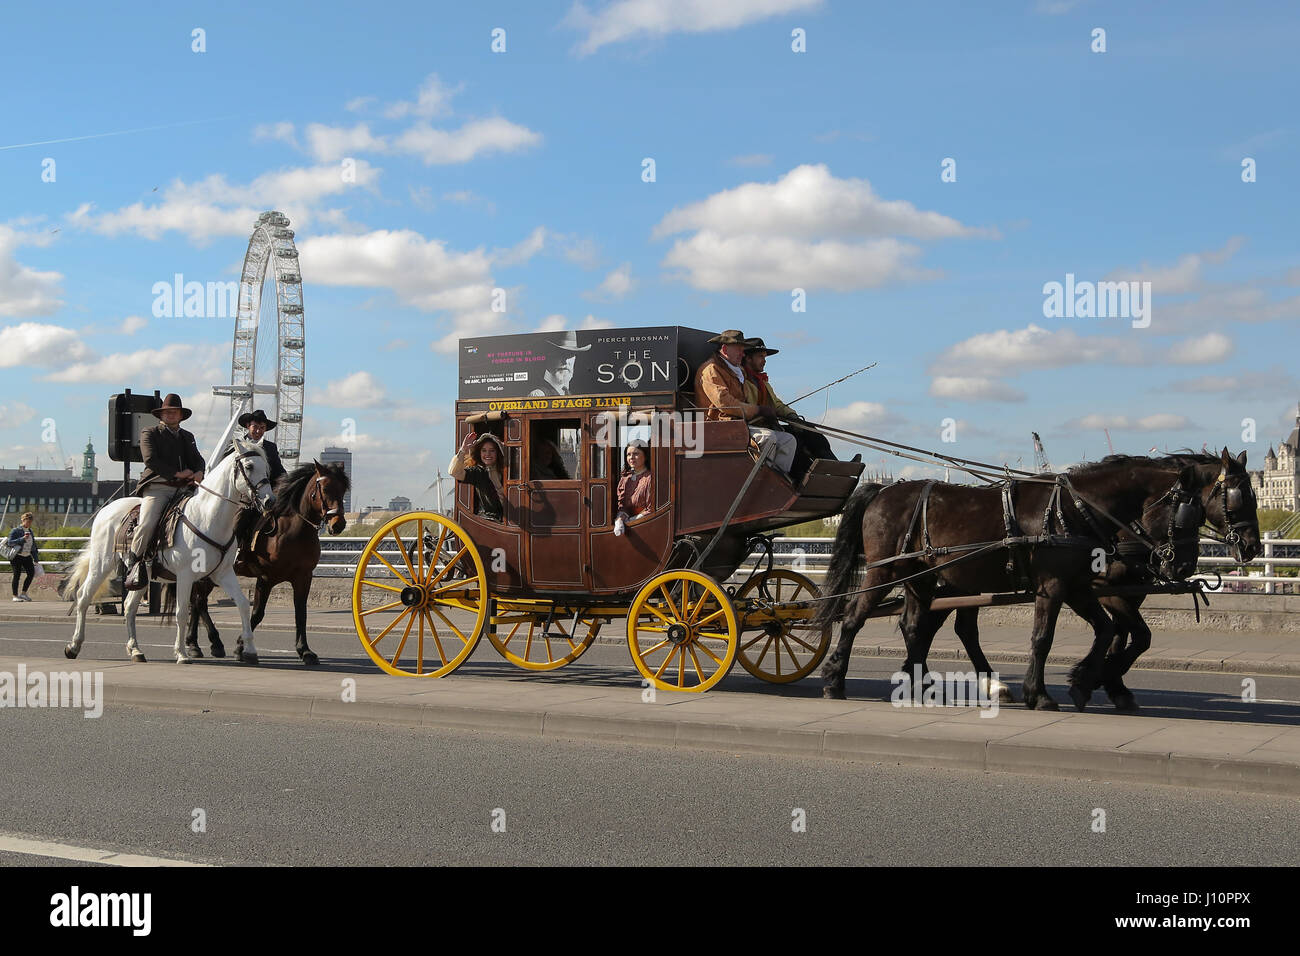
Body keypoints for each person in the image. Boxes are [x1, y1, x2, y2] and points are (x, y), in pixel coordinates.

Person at [126, 393, 205, 590]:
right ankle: (133, 562)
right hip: (159, 487)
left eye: (174, 412)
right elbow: (150, 460)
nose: (171, 415)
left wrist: (199, 472)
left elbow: (198, 459)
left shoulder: (188, 436)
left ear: (180, 415)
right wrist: (177, 473)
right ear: (161, 415)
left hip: (184, 490)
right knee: (148, 522)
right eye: (167, 412)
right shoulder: (149, 432)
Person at [693, 329, 797, 474]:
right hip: (719, 426)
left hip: (739, 423)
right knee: (767, 437)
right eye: (739, 350)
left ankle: (777, 480)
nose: (743, 354)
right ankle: (762, 478)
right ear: (724, 349)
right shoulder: (711, 370)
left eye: (743, 350)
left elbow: (746, 399)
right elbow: (725, 403)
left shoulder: (737, 371)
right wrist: (758, 410)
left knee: (788, 440)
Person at [742, 337, 840, 482]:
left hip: (768, 424)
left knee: (811, 432)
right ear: (748, 359)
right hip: (758, 427)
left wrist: (793, 417)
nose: (764, 360)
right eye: (760, 356)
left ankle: (836, 467)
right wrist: (764, 412)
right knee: (795, 441)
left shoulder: (762, 381)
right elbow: (747, 406)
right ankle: (803, 477)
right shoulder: (742, 380)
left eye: (765, 357)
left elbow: (777, 404)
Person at [231, 409, 287, 547]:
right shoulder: (237, 445)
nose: (258, 431)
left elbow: (278, 471)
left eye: (262, 428)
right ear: (248, 426)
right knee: (239, 520)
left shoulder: (270, 447)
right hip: (245, 495)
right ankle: (233, 551)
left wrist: (288, 483)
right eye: (255, 427)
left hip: (267, 493)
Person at [449, 431, 505, 522]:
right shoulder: (478, 472)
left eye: (492, 450)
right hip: (489, 520)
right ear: (479, 453)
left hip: (509, 519)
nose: (487, 454)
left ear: (498, 453)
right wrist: (463, 449)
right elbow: (454, 472)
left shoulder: (506, 471)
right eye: (484, 450)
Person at [528, 331, 589, 397]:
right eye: (560, 354)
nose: (565, 361)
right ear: (548, 358)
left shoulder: (567, 393)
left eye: (571, 354)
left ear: (574, 359)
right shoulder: (539, 395)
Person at [614, 442, 653, 536]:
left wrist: (632, 520)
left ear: (645, 456)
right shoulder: (624, 479)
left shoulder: (650, 478)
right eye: (628, 454)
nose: (631, 457)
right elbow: (622, 506)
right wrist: (620, 520)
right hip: (627, 528)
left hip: (647, 526)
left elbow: (651, 508)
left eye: (636, 454)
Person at [6, 512, 39, 601]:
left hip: (27, 555)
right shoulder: (16, 530)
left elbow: (33, 546)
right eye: (27, 521)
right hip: (17, 556)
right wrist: (22, 539)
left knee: (31, 573)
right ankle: (15, 596)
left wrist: (36, 558)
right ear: (23, 520)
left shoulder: (30, 531)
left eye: (30, 522)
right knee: (17, 575)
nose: (29, 523)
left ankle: (23, 593)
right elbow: (10, 542)